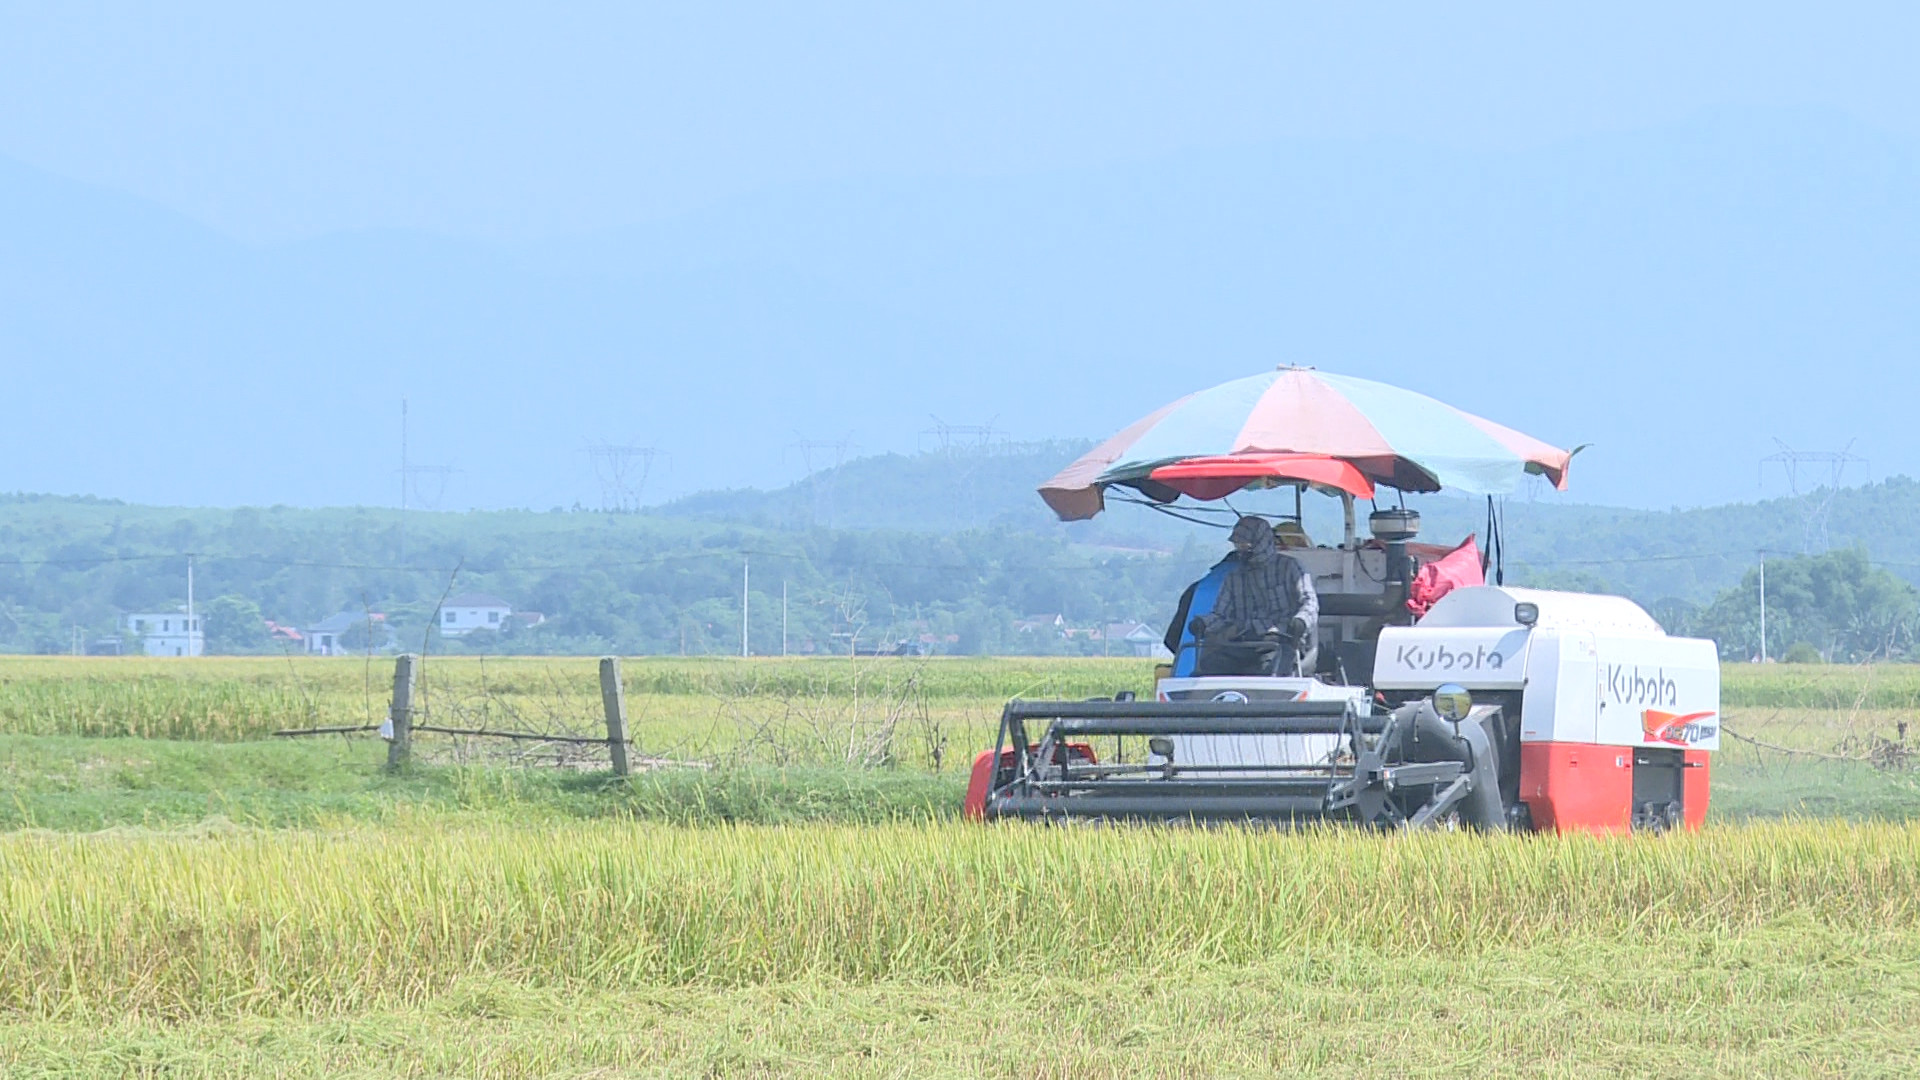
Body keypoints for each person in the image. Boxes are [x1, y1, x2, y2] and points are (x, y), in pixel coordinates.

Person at [1189, 515, 1319, 676]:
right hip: (1243, 643)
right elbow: (1221, 615)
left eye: (1246, 544)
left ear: (1261, 543)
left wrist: (1300, 621)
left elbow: (1309, 602)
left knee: (1268, 671)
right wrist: (1203, 623)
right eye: (1238, 545)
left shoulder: (1290, 567)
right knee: (1209, 667)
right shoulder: (1234, 577)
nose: (1240, 549)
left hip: (1281, 640)